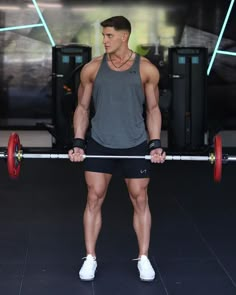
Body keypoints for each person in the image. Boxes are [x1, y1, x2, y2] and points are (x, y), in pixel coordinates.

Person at [68, 15, 166, 282]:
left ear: (124, 36)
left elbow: (153, 109)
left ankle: (143, 258)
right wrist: (78, 142)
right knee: (93, 198)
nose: (104, 40)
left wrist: (155, 144)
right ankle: (90, 258)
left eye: (109, 35)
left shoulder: (146, 69)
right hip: (100, 142)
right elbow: (82, 108)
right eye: (103, 35)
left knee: (140, 199)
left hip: (134, 144)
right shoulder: (92, 68)